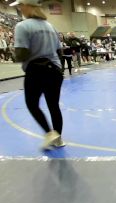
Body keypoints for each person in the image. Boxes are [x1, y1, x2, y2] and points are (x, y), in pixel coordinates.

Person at [12, 0, 65, 149]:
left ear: (28, 6)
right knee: (53, 105)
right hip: (54, 70)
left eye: (20, 5)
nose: (20, 8)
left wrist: (14, 55)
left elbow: (21, 54)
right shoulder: (51, 27)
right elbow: (59, 52)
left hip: (36, 70)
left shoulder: (22, 26)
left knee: (32, 104)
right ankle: (58, 139)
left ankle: (49, 133)